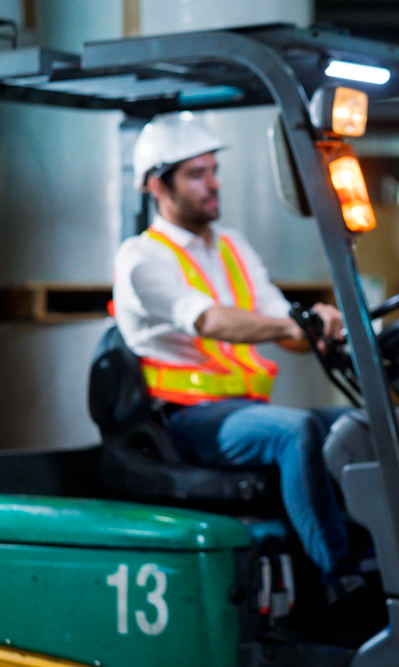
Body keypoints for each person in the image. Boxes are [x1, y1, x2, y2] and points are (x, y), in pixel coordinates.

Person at [113, 113, 351, 579]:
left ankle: (382, 559)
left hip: (242, 410)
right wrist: (297, 325)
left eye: (213, 171)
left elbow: (285, 328)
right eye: (196, 175)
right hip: (184, 418)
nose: (213, 184)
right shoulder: (142, 258)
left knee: (355, 423)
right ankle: (339, 578)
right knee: (295, 430)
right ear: (158, 186)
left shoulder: (233, 246)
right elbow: (211, 321)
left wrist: (319, 331)